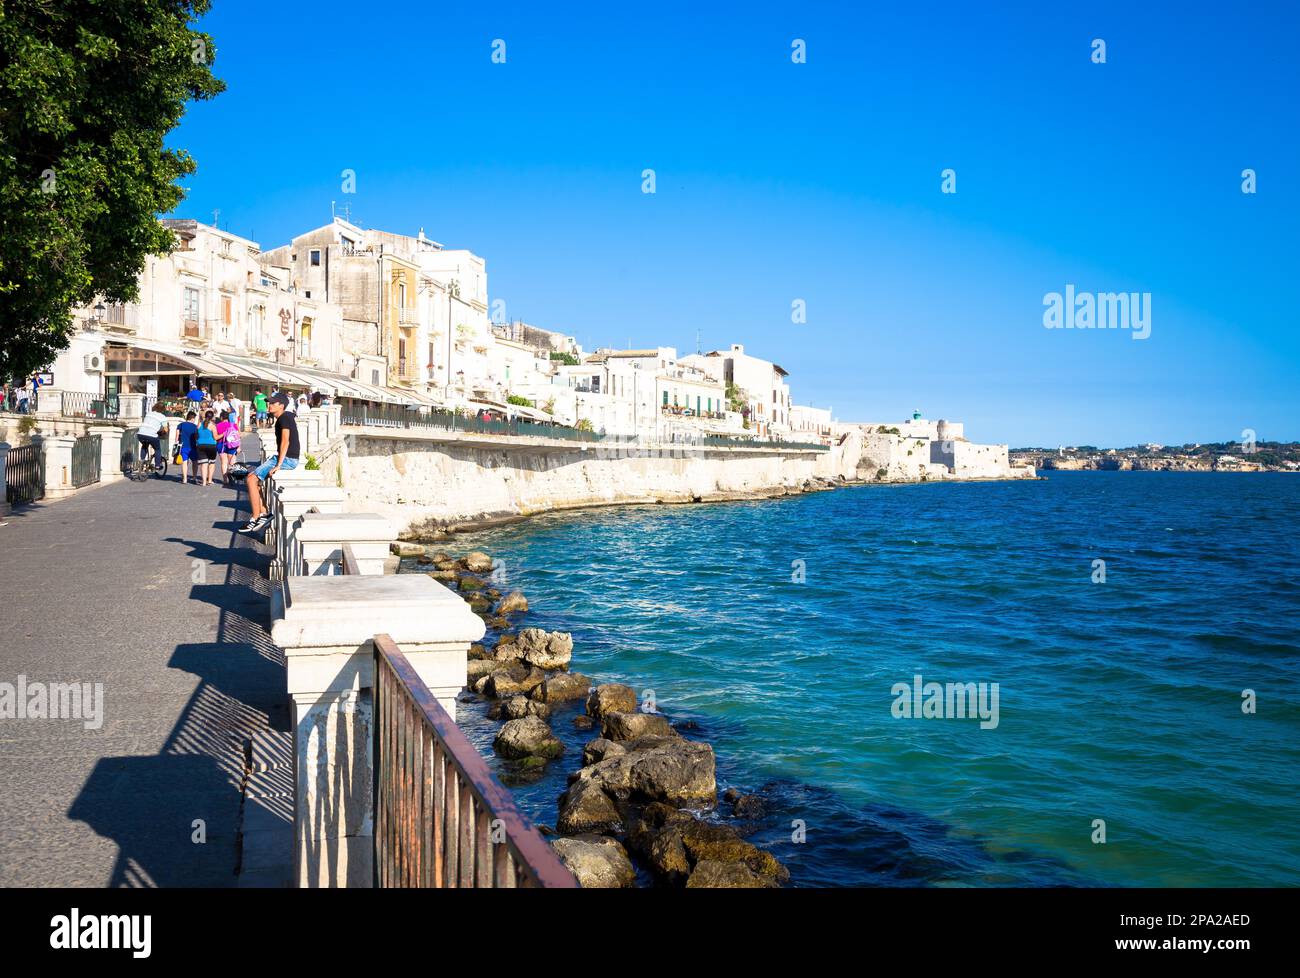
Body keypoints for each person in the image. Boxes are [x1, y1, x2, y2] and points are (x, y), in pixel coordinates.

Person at [240, 393, 300, 533]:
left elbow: (286, 440)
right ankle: (264, 513)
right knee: (255, 480)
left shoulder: (284, 418)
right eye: (269, 402)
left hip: (287, 459)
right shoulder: (285, 417)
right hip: (285, 457)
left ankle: (255, 518)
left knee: (251, 479)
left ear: (281, 405)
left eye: (273, 403)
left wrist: (279, 464)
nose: (269, 405)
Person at [136, 403, 169, 470]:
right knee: (157, 449)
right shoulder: (162, 417)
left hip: (140, 434)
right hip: (151, 435)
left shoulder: (149, 413)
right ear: (163, 410)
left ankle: (142, 461)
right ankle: (157, 465)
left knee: (145, 445)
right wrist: (162, 433)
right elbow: (166, 429)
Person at [215, 409, 242, 483]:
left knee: (224, 462)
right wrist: (239, 446)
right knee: (232, 462)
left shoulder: (217, 426)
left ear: (221, 418)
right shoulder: (233, 425)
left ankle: (225, 480)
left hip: (221, 444)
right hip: (232, 444)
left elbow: (216, 436)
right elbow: (238, 436)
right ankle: (231, 476)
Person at [194, 410, 219, 486]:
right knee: (211, 463)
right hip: (211, 446)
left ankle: (204, 482)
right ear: (212, 417)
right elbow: (216, 437)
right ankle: (210, 480)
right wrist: (223, 434)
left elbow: (196, 435)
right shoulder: (212, 426)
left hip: (200, 446)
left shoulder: (199, 424)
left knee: (203, 465)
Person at [176, 411, 199, 484]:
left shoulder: (181, 425)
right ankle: (194, 477)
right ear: (192, 418)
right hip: (192, 447)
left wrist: (177, 443)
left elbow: (176, 437)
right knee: (195, 462)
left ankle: (185, 479)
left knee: (185, 462)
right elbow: (196, 438)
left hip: (183, 446)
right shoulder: (195, 427)